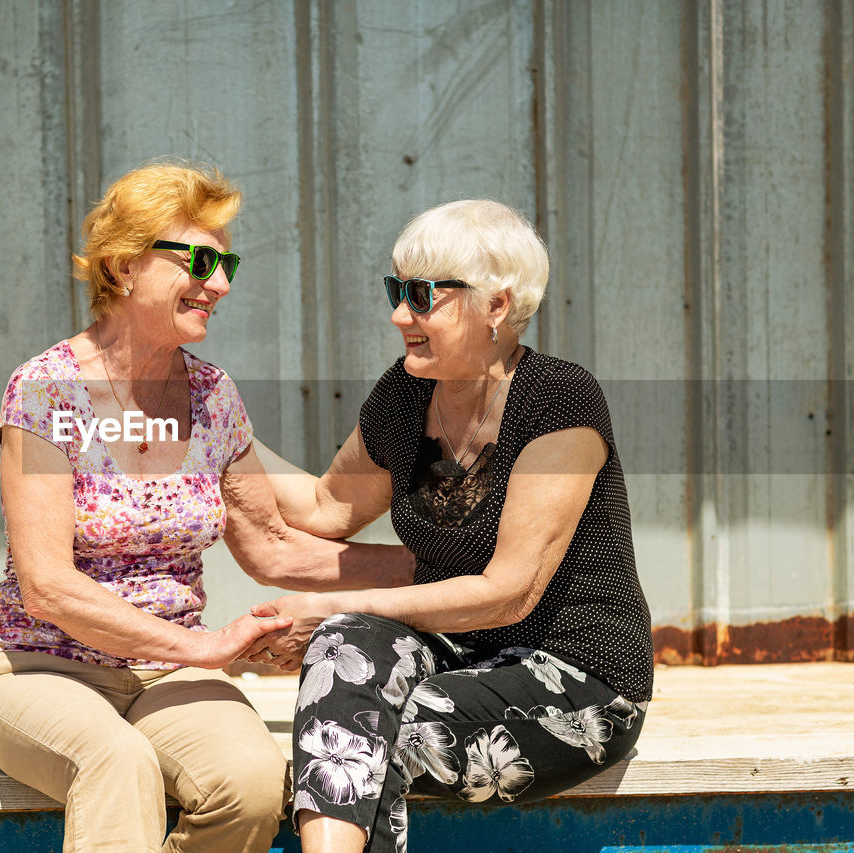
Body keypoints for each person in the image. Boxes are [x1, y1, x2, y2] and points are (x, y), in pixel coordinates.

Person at [0, 159, 411, 853]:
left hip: (168, 674)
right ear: (124, 266)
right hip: (43, 666)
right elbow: (48, 586)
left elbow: (272, 546)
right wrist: (203, 646)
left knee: (249, 782)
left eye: (227, 261)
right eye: (202, 260)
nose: (222, 284)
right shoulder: (46, 392)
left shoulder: (213, 396)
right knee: (119, 763)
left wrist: (439, 568)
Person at [236, 199, 653, 853]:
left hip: (577, 680)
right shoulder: (405, 395)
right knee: (345, 652)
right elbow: (323, 507)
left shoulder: (558, 400)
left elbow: (507, 590)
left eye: (423, 295)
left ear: (496, 306)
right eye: (396, 290)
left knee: (371, 735)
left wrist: (323, 607)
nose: (400, 315)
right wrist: (215, 425)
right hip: (459, 655)